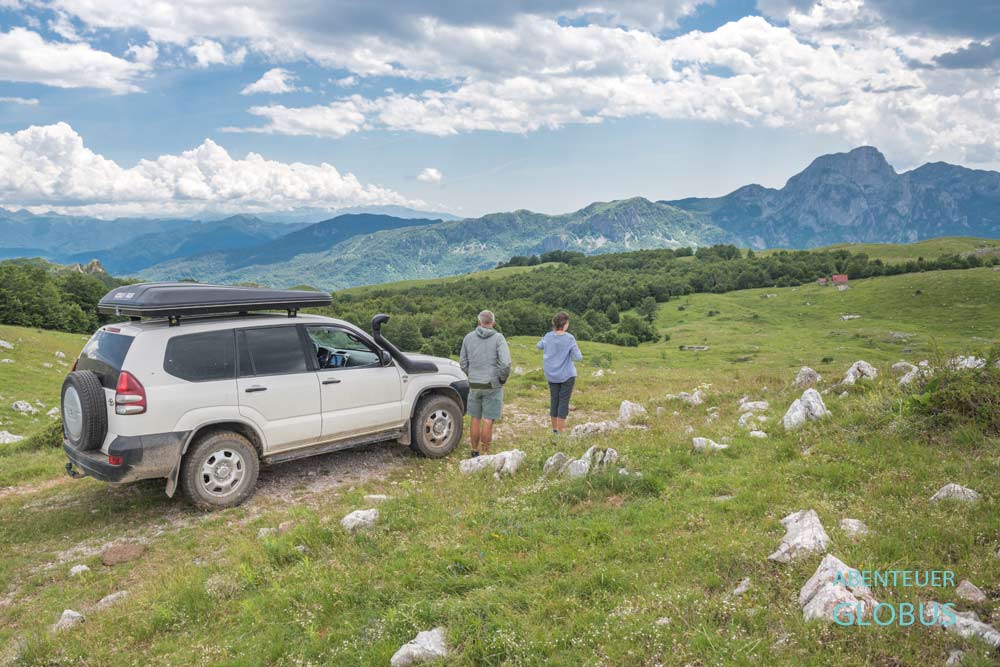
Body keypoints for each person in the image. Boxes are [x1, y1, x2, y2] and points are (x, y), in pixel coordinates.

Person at [459, 310, 512, 457]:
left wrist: (471, 375)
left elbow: (462, 362)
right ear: (493, 323)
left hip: (474, 384)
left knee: (475, 418)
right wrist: (501, 379)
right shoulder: (498, 338)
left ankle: (474, 451)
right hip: (492, 385)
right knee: (488, 419)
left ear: (479, 322)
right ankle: (486, 453)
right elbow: (506, 364)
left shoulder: (468, 338)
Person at [537, 311, 582, 435]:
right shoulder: (569, 338)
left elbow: (539, 346)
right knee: (563, 402)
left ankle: (555, 431)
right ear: (565, 324)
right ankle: (560, 433)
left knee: (554, 401)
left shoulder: (548, 336)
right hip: (567, 375)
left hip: (552, 375)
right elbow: (578, 357)